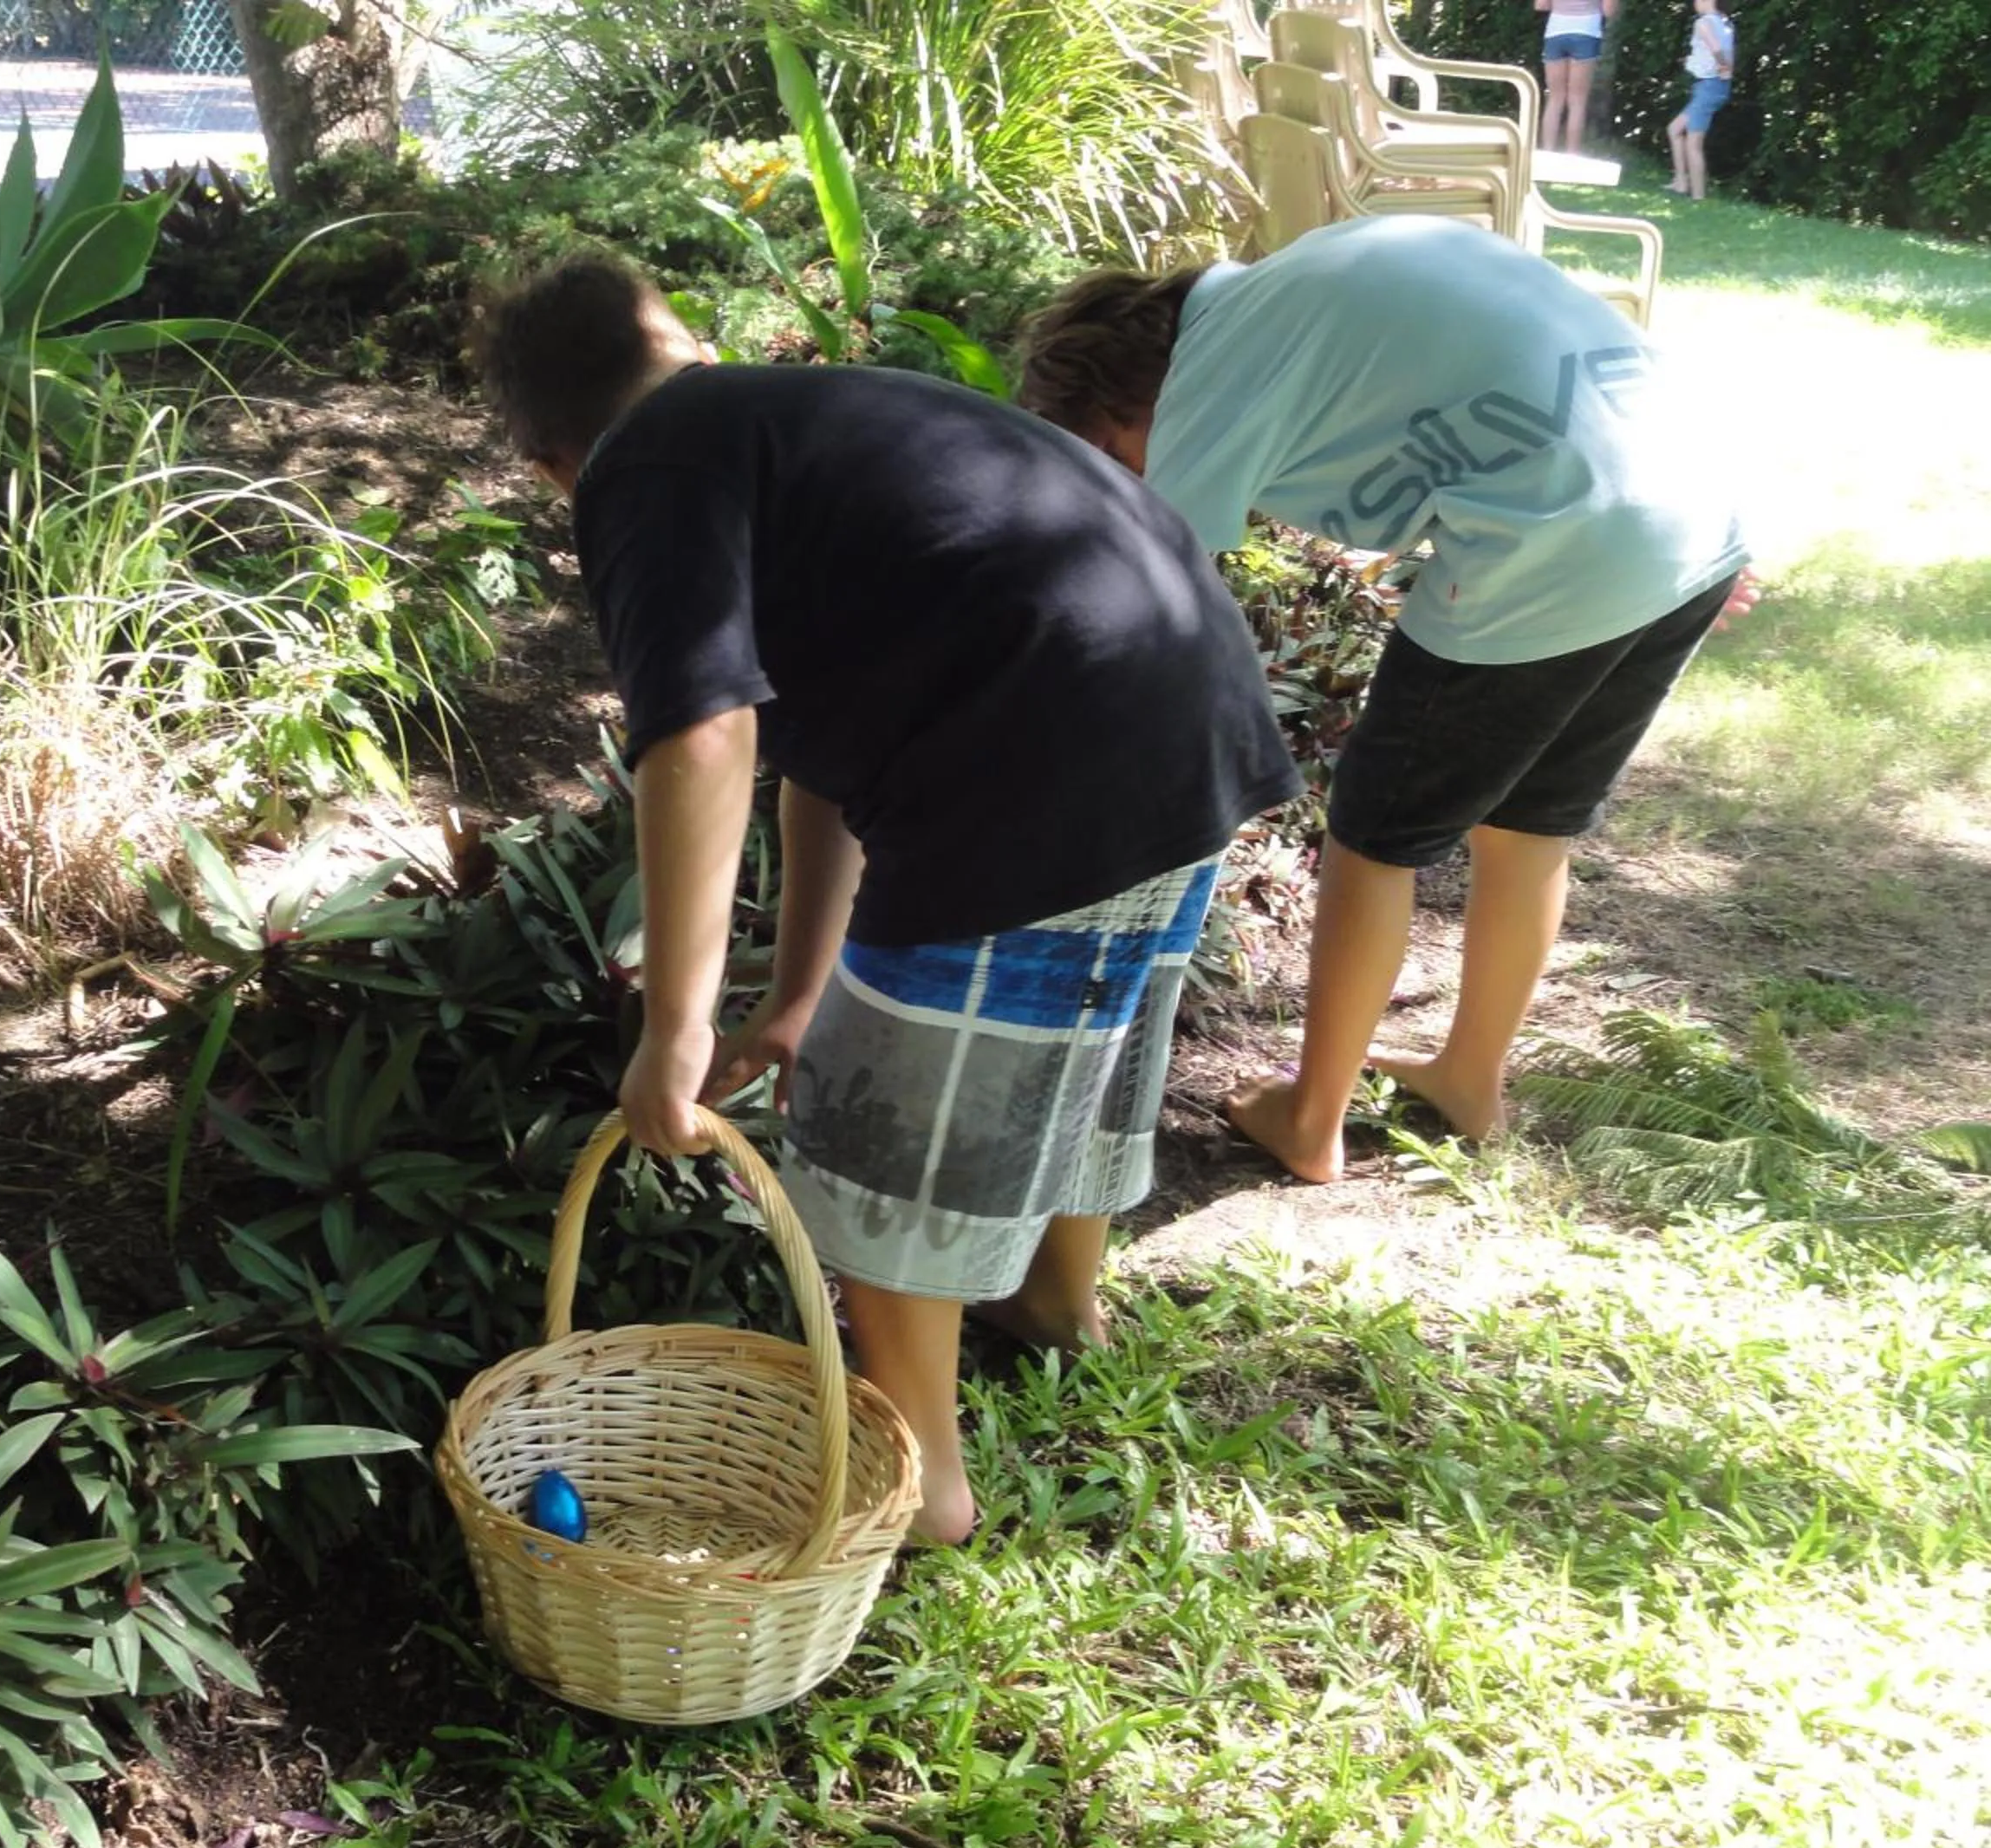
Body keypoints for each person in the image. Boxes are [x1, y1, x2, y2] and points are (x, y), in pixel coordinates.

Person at [472, 254, 1301, 1543]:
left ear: (549, 463)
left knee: (868, 1144)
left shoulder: (651, 467)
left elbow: (703, 739)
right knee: (1083, 1041)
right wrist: (801, 988)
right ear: (682, 347)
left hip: (1039, 755)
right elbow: (817, 758)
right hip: (1188, 717)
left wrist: (675, 1031)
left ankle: (922, 1481)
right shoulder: (801, 418)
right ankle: (1054, 1303)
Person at [1018, 216, 1755, 1187]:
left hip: (1558, 542)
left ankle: (1311, 1116)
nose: (1123, 480)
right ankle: (1469, 1078)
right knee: (1528, 828)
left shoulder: (1211, 366)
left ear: (1123, 397)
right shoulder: (1293, 293)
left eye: (1112, 457)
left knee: (1372, 836)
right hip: (1686, 522)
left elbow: (1141, 574)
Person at [1667, 0, 1737, 198]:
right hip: (1712, 86)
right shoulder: (1725, 22)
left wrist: (1724, 67)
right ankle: (1681, 181)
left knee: (1693, 142)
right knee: (1674, 129)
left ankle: (1698, 197)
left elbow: (1716, 49)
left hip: (1709, 86)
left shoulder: (1703, 23)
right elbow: (1723, 50)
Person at [1536, 0, 1617, 155]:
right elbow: (1609, 10)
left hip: (1555, 31)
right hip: (1586, 31)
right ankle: (1572, 157)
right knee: (1577, 101)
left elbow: (1541, 5)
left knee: (1555, 98)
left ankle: (1547, 155)